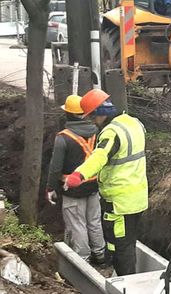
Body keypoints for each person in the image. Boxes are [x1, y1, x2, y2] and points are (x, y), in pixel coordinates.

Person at [63, 88, 148, 276]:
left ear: (100, 114)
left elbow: (99, 156)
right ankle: (119, 275)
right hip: (137, 198)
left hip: (119, 202)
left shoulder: (112, 132)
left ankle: (126, 285)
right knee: (124, 241)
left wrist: (78, 175)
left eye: (92, 117)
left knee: (121, 246)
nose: (92, 122)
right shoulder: (134, 123)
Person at [45, 95, 107, 265]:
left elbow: (55, 167)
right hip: (93, 186)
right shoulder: (96, 132)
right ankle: (100, 254)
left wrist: (50, 188)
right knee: (94, 221)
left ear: (68, 115)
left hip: (73, 189)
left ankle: (83, 260)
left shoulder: (63, 137)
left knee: (77, 224)